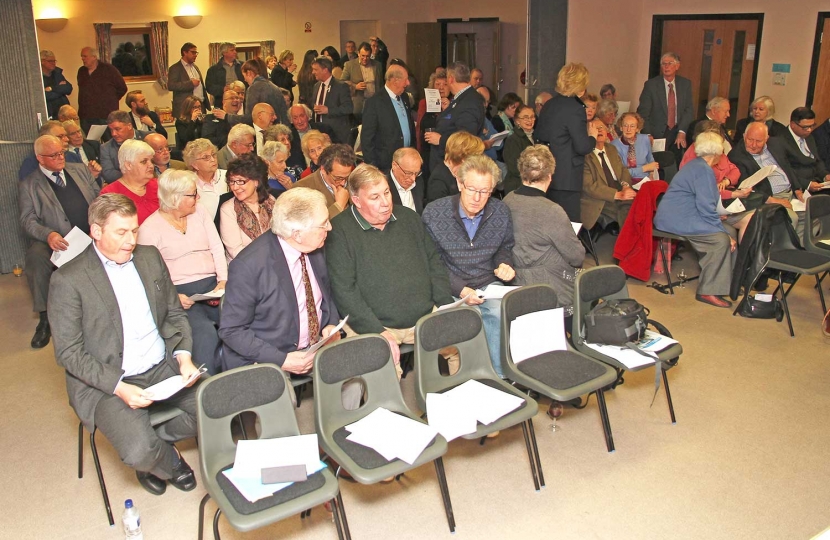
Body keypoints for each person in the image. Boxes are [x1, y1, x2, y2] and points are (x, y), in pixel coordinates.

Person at [48, 193, 200, 496]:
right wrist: (118, 386)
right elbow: (68, 352)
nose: (131, 240)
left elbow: (173, 313)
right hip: (108, 379)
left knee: (218, 407)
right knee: (137, 452)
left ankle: (157, 440)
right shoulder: (69, 280)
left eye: (134, 230)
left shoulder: (149, 257)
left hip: (161, 365)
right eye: (121, 232)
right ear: (96, 231)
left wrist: (184, 357)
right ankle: (164, 458)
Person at [326, 164, 454, 374]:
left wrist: (444, 306)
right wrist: (376, 331)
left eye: (386, 192)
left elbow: (434, 264)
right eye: (374, 197)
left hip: (425, 315)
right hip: (374, 323)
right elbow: (344, 292)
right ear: (356, 200)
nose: (385, 202)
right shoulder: (339, 232)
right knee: (382, 376)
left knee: (462, 342)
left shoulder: (409, 218)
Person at [218, 188, 345, 381]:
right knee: (282, 405)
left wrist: (331, 323)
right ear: (297, 234)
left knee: (355, 373)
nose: (329, 228)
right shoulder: (249, 266)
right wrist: (282, 359)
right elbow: (231, 331)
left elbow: (325, 292)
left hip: (314, 347)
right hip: (267, 356)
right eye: (323, 224)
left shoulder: (314, 246)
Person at [422, 155, 515, 377]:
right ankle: (469, 381)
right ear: (459, 184)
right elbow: (431, 262)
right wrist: (461, 289)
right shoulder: (434, 213)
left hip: (487, 283)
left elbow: (505, 246)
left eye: (484, 192)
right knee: (467, 321)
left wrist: (505, 264)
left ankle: (499, 378)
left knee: (500, 312)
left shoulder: (500, 212)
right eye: (471, 189)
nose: (477, 197)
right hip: (451, 286)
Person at [137, 170, 226, 375]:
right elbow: (148, 276)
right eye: (193, 194)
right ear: (174, 198)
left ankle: (243, 380)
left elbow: (216, 247)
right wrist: (173, 297)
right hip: (180, 292)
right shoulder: (150, 229)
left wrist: (223, 280)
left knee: (236, 322)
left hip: (214, 286)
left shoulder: (200, 212)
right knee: (204, 334)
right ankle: (210, 390)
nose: (198, 197)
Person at [19, 134, 100, 349]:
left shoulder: (80, 170)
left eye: (61, 153)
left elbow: (99, 198)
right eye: (53, 155)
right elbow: (27, 220)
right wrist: (48, 234)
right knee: (36, 258)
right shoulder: (29, 184)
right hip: (56, 239)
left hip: (89, 232)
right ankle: (45, 318)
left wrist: (100, 226)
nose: (60, 158)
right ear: (40, 158)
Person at [654, 132, 737, 308]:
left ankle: (724, 284)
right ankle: (708, 291)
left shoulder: (698, 166)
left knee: (730, 230)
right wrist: (721, 231)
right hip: (675, 218)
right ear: (717, 153)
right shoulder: (703, 170)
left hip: (682, 213)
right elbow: (707, 207)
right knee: (721, 239)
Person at [504, 144, 585, 320]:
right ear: (550, 175)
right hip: (546, 285)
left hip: (514, 279)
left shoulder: (507, 199)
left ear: (522, 172)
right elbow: (576, 256)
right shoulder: (551, 211)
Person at [534, 62, 598, 221]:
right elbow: (582, 146)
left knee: (548, 220)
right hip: (567, 176)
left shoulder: (549, 104)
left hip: (547, 171)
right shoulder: (576, 109)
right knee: (569, 223)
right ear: (581, 86)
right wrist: (593, 137)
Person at [425, 62, 485, 173]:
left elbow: (466, 139)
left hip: (454, 167)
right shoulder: (462, 98)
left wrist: (441, 140)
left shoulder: (469, 101)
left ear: (451, 79)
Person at [636, 52, 693, 164]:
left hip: (677, 131)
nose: (666, 67)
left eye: (670, 63)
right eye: (663, 64)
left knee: (676, 163)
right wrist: (647, 134)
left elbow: (688, 109)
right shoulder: (651, 85)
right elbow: (643, 112)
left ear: (677, 66)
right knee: (659, 164)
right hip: (657, 133)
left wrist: (682, 131)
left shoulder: (685, 84)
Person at [582, 118, 636, 237]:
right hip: (599, 197)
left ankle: (630, 243)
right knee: (628, 211)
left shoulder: (611, 149)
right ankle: (629, 244)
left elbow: (623, 171)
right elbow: (589, 187)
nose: (599, 130)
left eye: (601, 127)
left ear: (607, 130)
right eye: (595, 128)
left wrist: (626, 186)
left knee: (640, 205)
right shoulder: (585, 155)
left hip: (619, 189)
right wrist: (618, 195)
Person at [219, 153, 277, 261]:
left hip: (274, 263)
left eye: (241, 181)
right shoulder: (228, 209)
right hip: (245, 267)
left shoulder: (271, 202)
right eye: (232, 182)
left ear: (256, 181)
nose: (235, 187)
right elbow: (235, 251)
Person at [361, 64, 416, 171]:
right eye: (406, 80)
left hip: (406, 161)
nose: (408, 83)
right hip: (385, 165)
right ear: (395, 80)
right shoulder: (374, 103)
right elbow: (367, 139)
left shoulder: (405, 97)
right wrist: (373, 168)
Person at [214, 60, 289, 131]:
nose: (245, 80)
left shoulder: (253, 88)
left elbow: (250, 118)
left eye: (244, 76)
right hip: (280, 131)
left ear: (249, 73)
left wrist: (227, 116)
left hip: (265, 133)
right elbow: (284, 115)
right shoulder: (275, 87)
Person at [100, 140, 159, 224]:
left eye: (151, 161)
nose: (151, 165)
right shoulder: (110, 194)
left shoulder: (159, 185)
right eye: (144, 161)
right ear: (128, 165)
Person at [291, 144, 355, 219]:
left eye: (346, 177)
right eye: (338, 178)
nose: (343, 183)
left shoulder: (355, 180)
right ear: (323, 170)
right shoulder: (301, 189)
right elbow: (310, 227)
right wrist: (339, 205)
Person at [76, 47, 127, 136]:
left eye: (85, 56)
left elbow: (122, 88)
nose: (82, 59)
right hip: (86, 115)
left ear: (94, 57)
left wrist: (110, 100)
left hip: (106, 114)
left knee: (111, 140)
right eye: (81, 56)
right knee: (91, 142)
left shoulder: (109, 69)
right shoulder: (81, 71)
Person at [779, 107, 830, 191]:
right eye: (805, 127)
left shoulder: (809, 138)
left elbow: (817, 160)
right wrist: (807, 184)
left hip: (816, 182)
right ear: (793, 125)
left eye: (812, 126)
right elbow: (785, 171)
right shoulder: (780, 140)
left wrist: (825, 175)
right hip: (797, 186)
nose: (809, 130)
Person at [427, 131, 485, 203]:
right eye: (476, 156)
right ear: (463, 158)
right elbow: (439, 210)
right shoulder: (438, 181)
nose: (478, 160)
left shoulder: (464, 172)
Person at [310, 56, 353, 146]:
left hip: (336, 134)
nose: (313, 72)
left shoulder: (341, 86)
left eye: (315, 69)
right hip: (319, 134)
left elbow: (348, 108)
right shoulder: (316, 86)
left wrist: (328, 110)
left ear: (325, 70)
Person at [183, 138, 227, 219]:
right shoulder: (189, 185)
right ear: (194, 164)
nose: (213, 160)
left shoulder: (228, 176)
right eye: (206, 157)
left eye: (213, 154)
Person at [99, 111, 148, 184]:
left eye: (117, 129)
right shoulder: (106, 148)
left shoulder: (147, 138)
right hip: (124, 187)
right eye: (111, 130)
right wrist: (135, 176)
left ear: (129, 126)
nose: (113, 134)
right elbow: (108, 174)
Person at [417, 69, 449, 172]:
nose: (441, 87)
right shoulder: (424, 103)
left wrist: (447, 110)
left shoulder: (454, 105)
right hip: (426, 152)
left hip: (444, 153)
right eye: (437, 84)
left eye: (445, 84)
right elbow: (418, 128)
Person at [611, 112, 659, 182]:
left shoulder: (645, 139)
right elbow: (620, 174)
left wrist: (652, 173)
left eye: (632, 126)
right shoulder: (613, 145)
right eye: (625, 125)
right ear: (621, 128)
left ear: (637, 128)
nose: (628, 129)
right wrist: (644, 168)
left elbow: (651, 161)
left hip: (646, 179)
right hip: (625, 182)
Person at [167, 43, 208, 119]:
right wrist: (190, 83)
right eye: (193, 52)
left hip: (200, 105)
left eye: (196, 53)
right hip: (185, 108)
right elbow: (171, 85)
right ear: (184, 52)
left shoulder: (195, 67)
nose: (195, 55)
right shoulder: (175, 68)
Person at [502, 105, 536, 194]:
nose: (530, 120)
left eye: (532, 117)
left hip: (533, 185)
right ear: (517, 121)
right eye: (525, 117)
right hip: (517, 186)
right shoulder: (513, 140)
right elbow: (514, 167)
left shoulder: (537, 137)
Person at [205, 42, 243, 110]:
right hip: (222, 104)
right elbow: (209, 87)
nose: (235, 52)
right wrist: (222, 89)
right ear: (224, 53)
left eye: (235, 50)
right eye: (232, 50)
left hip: (241, 103)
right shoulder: (214, 70)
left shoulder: (242, 66)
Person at [386, 147, 425, 214]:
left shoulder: (419, 182)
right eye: (408, 173)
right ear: (394, 165)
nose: (413, 179)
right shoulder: (383, 186)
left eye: (416, 173)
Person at [41, 50, 72, 119]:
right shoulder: (38, 77)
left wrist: (52, 88)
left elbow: (68, 88)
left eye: (54, 61)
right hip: (50, 113)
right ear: (42, 61)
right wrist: (60, 90)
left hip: (63, 113)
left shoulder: (57, 73)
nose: (53, 63)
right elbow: (44, 96)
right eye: (50, 61)